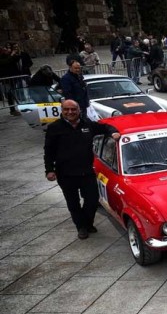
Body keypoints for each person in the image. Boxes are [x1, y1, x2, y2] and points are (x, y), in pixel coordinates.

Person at [44, 99, 120, 239]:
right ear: (62, 110)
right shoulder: (54, 128)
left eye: (73, 109)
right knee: (73, 203)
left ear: (79, 110)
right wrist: (49, 170)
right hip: (65, 174)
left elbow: (104, 127)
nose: (70, 112)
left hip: (86, 172)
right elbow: (48, 151)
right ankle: (81, 227)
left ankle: (87, 222)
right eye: (67, 109)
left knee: (92, 200)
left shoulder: (87, 124)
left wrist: (113, 132)